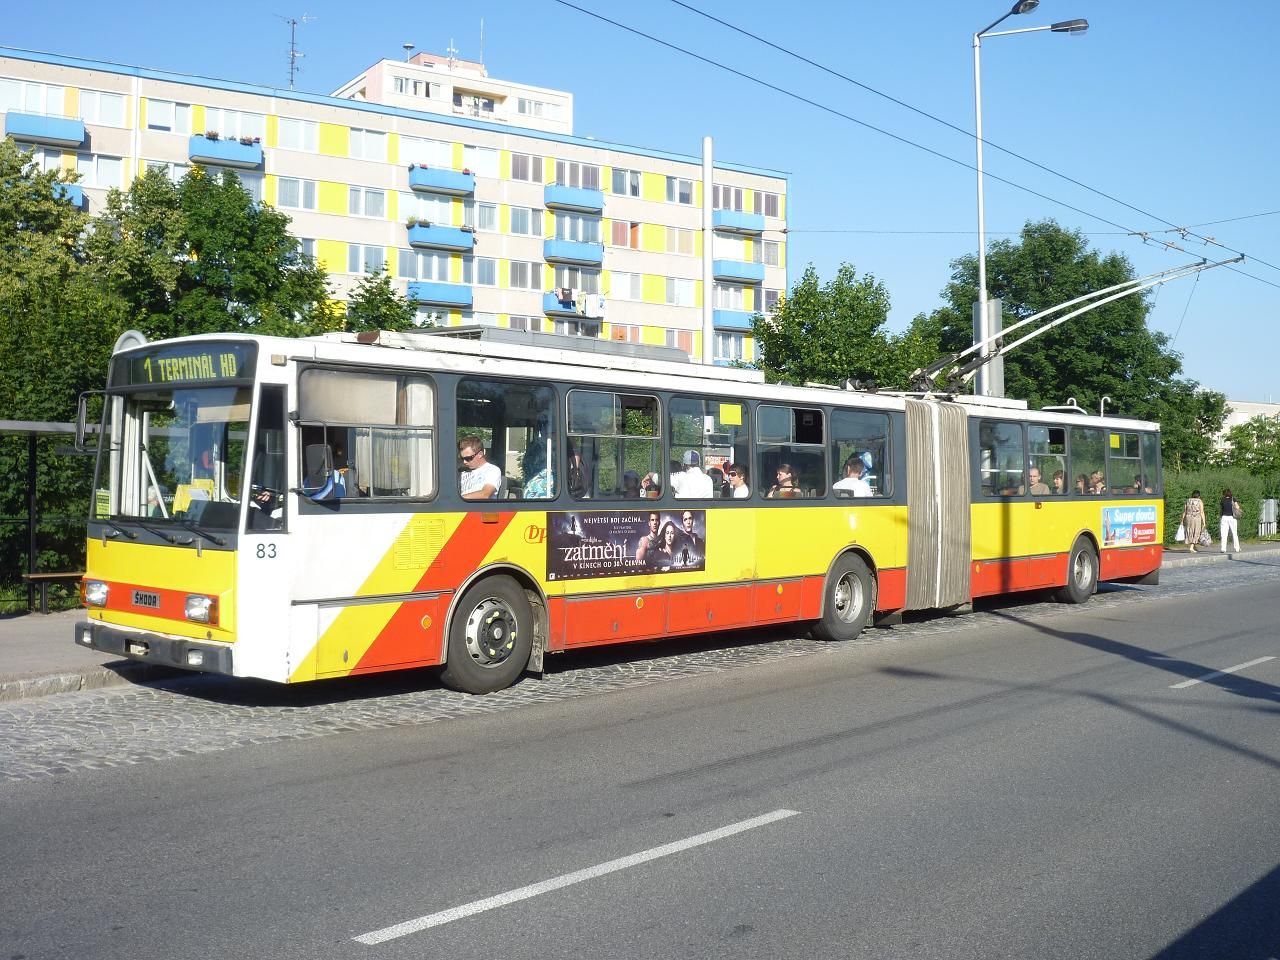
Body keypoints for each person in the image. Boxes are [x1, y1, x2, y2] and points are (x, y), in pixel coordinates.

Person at [458, 435, 502, 500]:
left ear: (480, 454)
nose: (464, 462)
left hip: (480, 508)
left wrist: (456, 499)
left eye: (468, 458)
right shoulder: (460, 471)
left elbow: (485, 494)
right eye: (462, 458)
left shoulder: (492, 470)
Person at [1181, 489, 1206, 553]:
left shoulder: (1188, 500)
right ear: (1199, 495)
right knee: (1196, 532)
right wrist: (1204, 522)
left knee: (1190, 531)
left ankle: (1193, 546)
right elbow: (1202, 512)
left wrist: (1182, 520)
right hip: (1196, 518)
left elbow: (1184, 511)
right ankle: (1191, 547)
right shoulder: (1199, 501)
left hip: (1188, 518)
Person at [1219, 487, 1241, 554]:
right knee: (1234, 533)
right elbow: (1237, 507)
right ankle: (1237, 548)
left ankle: (1223, 548)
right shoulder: (1233, 499)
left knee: (1224, 534)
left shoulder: (1222, 500)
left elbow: (1222, 509)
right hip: (1232, 518)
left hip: (1224, 517)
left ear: (1224, 494)